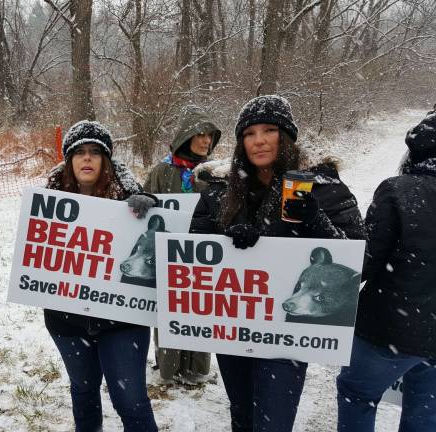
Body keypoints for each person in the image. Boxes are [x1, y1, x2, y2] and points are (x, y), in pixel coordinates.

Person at [190, 95, 365, 431]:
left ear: (285, 136)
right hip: (234, 325)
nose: (259, 141)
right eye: (249, 133)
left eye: (269, 130)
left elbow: (359, 262)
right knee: (242, 416)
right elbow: (192, 250)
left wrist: (317, 221)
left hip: (287, 334)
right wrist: (223, 241)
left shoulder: (323, 186)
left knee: (273, 423)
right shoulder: (220, 190)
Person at [44, 120, 158, 431]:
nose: (87, 158)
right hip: (66, 319)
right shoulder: (46, 203)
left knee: (131, 401)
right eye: (79, 152)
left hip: (122, 320)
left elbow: (158, 239)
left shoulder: (131, 201)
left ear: (105, 159)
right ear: (69, 160)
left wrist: (152, 208)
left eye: (95, 152)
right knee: (83, 393)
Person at [336, 111, 436, 432]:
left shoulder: (398, 190)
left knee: (357, 394)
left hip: (389, 330)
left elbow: (362, 263)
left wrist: (330, 225)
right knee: (424, 417)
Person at [143, 106, 221, 385]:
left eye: (210, 136)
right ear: (186, 136)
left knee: (200, 309)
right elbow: (146, 209)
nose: (206, 141)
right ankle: (168, 369)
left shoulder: (214, 173)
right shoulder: (162, 171)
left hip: (202, 257)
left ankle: (197, 369)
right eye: (200, 135)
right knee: (168, 310)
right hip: (167, 255)